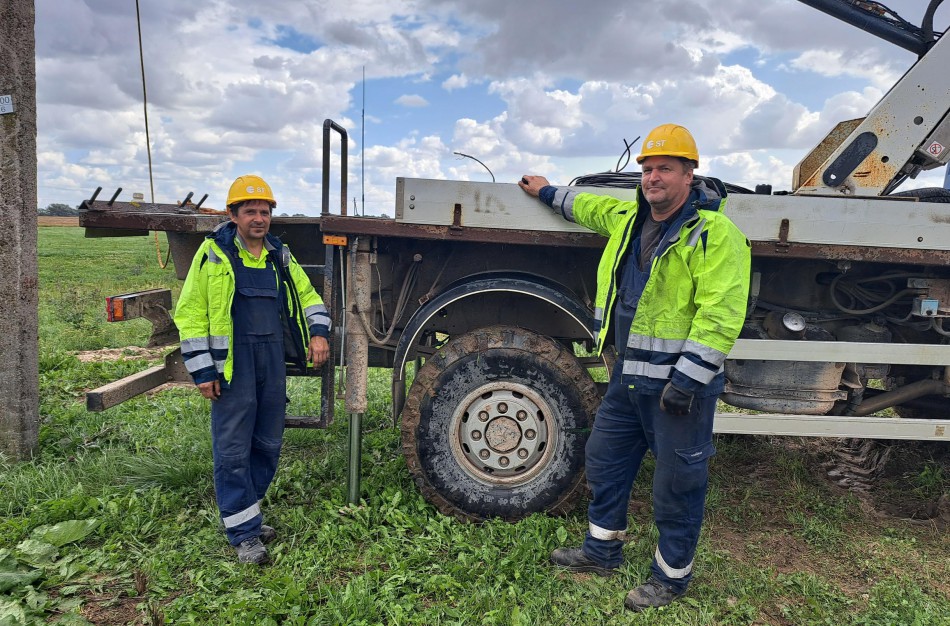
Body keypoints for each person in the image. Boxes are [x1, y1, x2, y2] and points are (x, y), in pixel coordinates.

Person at [519, 124, 750, 611]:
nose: (653, 177)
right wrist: (545, 191)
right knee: (605, 461)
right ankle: (602, 551)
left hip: (678, 390)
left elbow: (721, 313)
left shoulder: (716, 234)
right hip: (628, 379)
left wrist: (687, 381)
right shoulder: (630, 217)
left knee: (676, 485)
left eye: (665, 168)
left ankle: (670, 578)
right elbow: (588, 206)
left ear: (690, 173)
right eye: (647, 169)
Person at [174, 174, 331, 565]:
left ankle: (246, 511)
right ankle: (243, 533)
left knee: (268, 443)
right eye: (250, 211)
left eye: (264, 211)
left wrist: (318, 332)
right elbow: (190, 312)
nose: (258, 218)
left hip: (271, 361)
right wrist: (203, 370)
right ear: (233, 214)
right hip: (233, 366)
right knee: (232, 450)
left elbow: (308, 295)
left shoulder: (279, 256)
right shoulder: (213, 255)